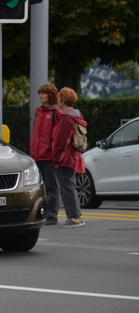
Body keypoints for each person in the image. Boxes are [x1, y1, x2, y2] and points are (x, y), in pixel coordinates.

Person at [52, 87, 87, 227]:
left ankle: (74, 217)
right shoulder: (75, 116)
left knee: (67, 187)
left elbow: (63, 141)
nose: (57, 101)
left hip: (65, 158)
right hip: (72, 156)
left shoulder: (67, 118)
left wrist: (56, 159)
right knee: (69, 186)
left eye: (59, 98)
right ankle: (75, 216)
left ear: (63, 100)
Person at [29, 83, 63, 225]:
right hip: (38, 154)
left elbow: (58, 136)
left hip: (48, 155)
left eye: (43, 93)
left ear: (51, 96)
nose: (40, 96)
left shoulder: (56, 113)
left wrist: (53, 152)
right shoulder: (39, 112)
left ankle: (52, 215)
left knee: (51, 186)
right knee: (41, 187)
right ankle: (44, 213)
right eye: (40, 93)